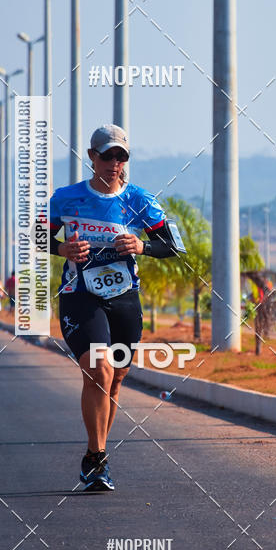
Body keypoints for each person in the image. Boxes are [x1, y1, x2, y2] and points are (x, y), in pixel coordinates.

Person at [49, 125, 184, 492]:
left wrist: (142, 247)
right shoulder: (66, 198)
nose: (114, 163)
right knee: (98, 368)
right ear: (92, 157)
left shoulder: (140, 200)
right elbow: (35, 234)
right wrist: (61, 249)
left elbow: (173, 246)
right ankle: (97, 459)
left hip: (124, 298)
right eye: (107, 156)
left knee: (117, 376)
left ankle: (97, 452)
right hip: (80, 294)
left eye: (120, 156)